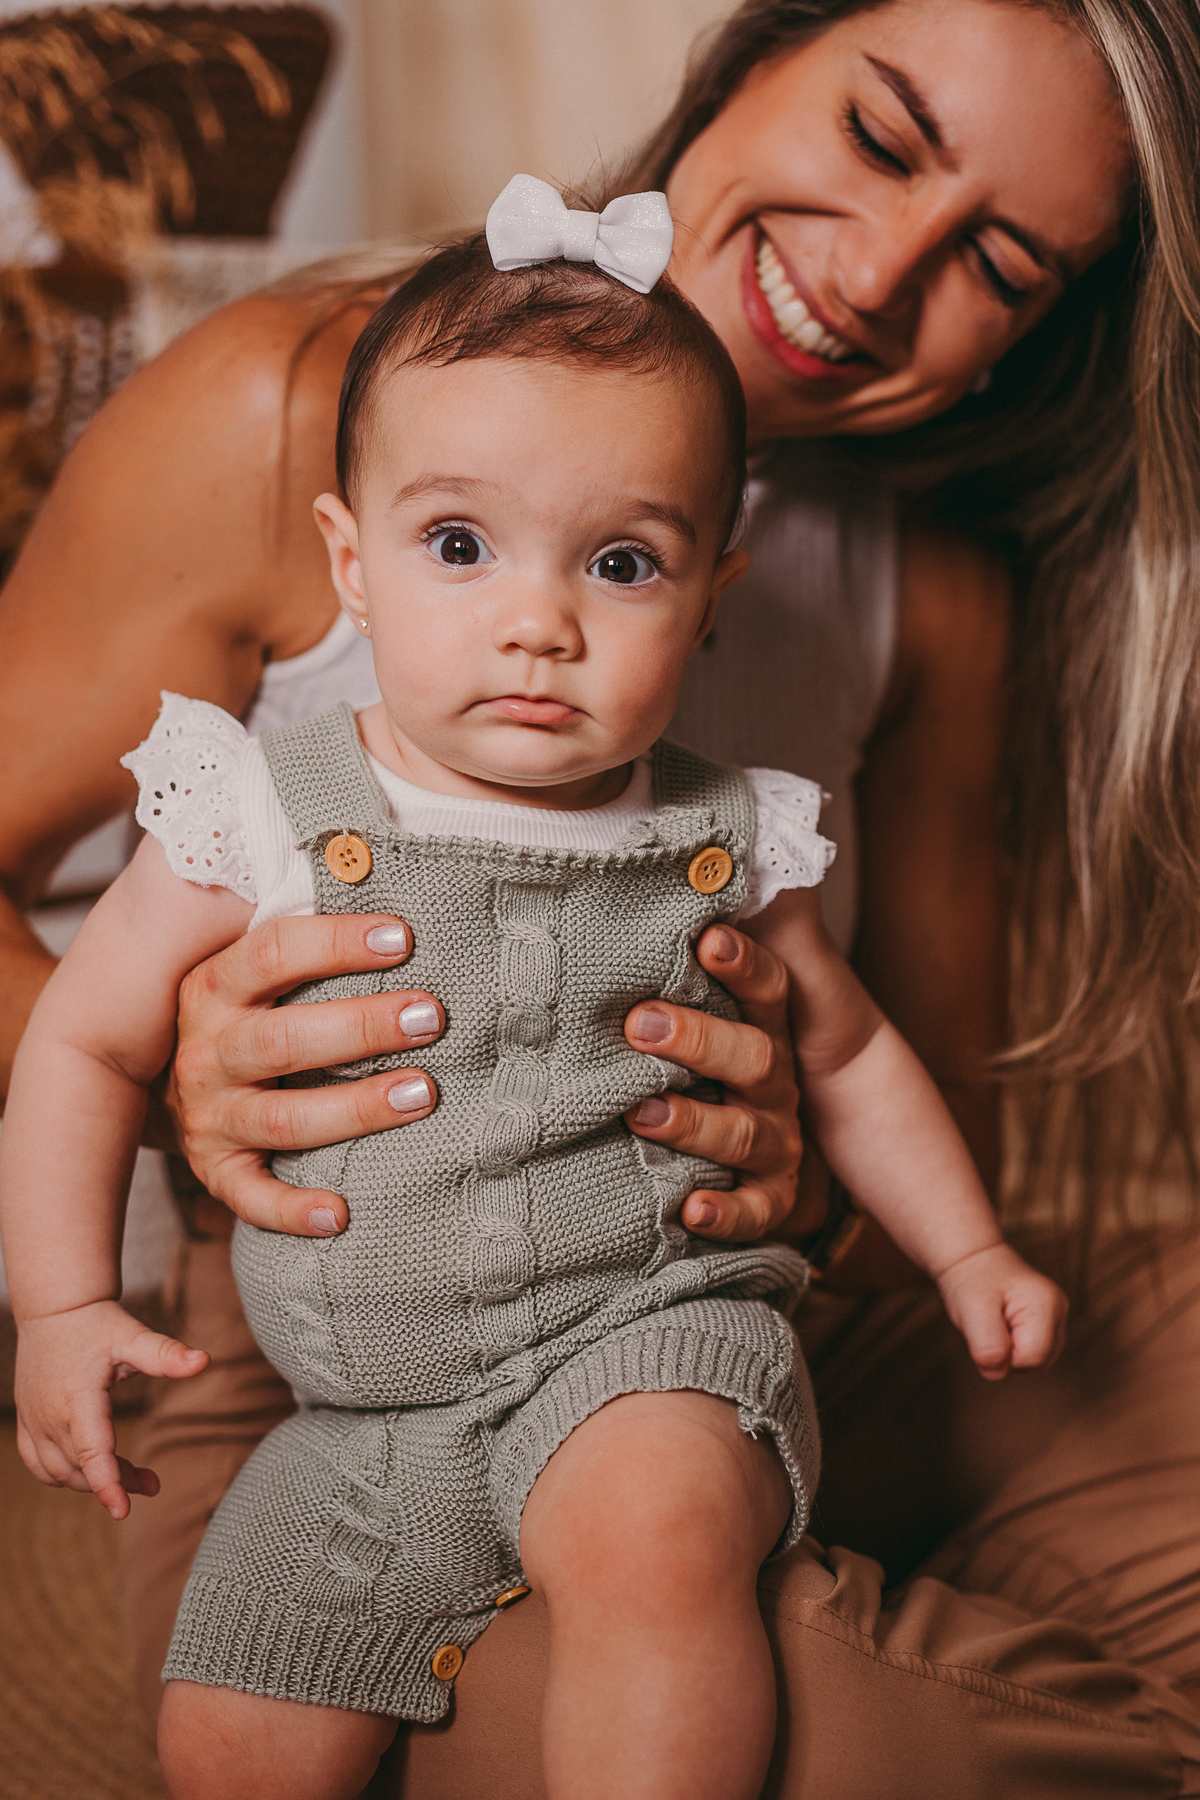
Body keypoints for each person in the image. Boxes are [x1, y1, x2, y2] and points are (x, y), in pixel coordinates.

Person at [0, 0, 1197, 1793]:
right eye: (880, 135)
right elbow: (87, 1030)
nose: (880, 272)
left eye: (1000, 265)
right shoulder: (298, 425)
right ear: (747, 59)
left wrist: (866, 1203)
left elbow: (889, 1082)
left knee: (681, 1556)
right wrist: (175, 1110)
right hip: (334, 1374)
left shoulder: (902, 619)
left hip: (672, 1327)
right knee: (881, 1739)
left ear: (710, 594)